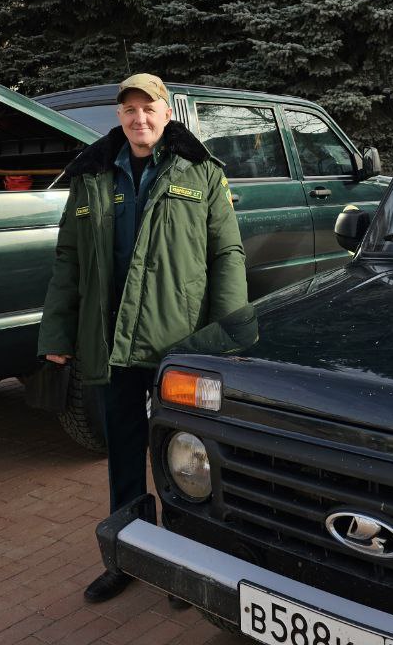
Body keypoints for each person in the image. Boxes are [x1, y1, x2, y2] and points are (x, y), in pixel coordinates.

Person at [36, 73, 247, 603]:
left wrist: (231, 333)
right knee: (125, 451)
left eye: (148, 109)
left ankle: (189, 557)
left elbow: (227, 255)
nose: (140, 119)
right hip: (113, 341)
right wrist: (58, 331)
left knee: (190, 453)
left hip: (181, 343)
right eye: (129, 110)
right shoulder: (90, 177)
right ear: (119, 117)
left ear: (166, 112)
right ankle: (126, 554)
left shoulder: (201, 172)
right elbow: (68, 261)